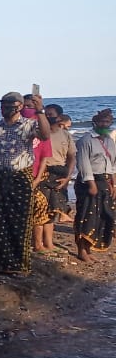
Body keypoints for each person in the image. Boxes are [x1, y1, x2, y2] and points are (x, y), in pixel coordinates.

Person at [0, 92, 51, 275]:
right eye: (3, 106)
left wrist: (40, 110)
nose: (6, 109)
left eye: (10, 106)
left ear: (19, 107)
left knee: (20, 221)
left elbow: (45, 134)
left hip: (20, 178)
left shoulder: (29, 125)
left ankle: (18, 265)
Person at [32, 102, 76, 255]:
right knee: (40, 211)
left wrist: (68, 177)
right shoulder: (39, 133)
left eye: (51, 114)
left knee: (53, 212)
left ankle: (49, 243)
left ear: (59, 117)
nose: (48, 116)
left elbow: (71, 157)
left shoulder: (66, 135)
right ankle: (37, 244)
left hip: (59, 174)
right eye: (46, 114)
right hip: (42, 173)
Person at [73, 107, 115, 261]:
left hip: (105, 181)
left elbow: (112, 165)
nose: (105, 124)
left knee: (102, 216)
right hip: (89, 182)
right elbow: (83, 164)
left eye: (108, 122)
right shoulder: (86, 140)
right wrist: (91, 185)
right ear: (95, 122)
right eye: (102, 121)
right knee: (86, 216)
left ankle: (89, 249)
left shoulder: (110, 141)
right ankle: (81, 250)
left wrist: (113, 183)